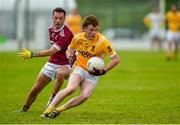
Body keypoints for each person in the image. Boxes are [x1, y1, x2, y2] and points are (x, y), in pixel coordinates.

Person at [41, 15, 120, 118]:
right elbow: (69, 50)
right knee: (71, 89)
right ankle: (47, 111)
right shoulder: (78, 38)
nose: (94, 33)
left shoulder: (102, 41)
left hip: (93, 74)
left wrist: (103, 71)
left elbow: (116, 59)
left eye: (96, 30)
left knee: (85, 95)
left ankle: (59, 110)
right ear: (84, 28)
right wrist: (69, 56)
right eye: (91, 30)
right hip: (79, 68)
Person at [18, 7, 74, 112]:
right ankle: (24, 109)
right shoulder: (50, 29)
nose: (58, 21)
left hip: (66, 65)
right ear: (52, 17)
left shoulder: (66, 34)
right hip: (51, 63)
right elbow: (54, 53)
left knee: (60, 73)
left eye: (60, 18)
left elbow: (51, 51)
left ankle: (52, 97)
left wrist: (32, 54)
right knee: (35, 89)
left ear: (64, 19)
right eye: (55, 18)